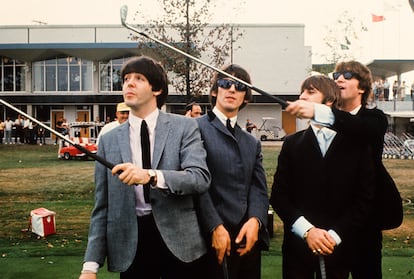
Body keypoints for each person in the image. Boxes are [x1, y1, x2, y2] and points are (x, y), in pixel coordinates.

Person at [79, 56, 211, 279]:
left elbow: (199, 178)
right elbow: (102, 206)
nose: (129, 83)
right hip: (131, 246)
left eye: (138, 78)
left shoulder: (184, 127)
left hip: (180, 244)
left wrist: (150, 176)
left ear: (157, 89)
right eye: (126, 79)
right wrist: (90, 266)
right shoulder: (109, 140)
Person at [286, 61, 403, 278]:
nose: (339, 78)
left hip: (365, 220)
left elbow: (359, 128)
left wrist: (319, 111)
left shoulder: (373, 119)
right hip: (332, 220)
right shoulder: (325, 121)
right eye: (337, 74)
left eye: (348, 75)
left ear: (362, 88)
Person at [270, 75, 376, 278]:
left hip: (339, 249)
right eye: (302, 92)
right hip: (297, 251)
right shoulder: (292, 144)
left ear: (329, 101)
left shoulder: (357, 144)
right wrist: (308, 232)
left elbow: (364, 199)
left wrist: (334, 236)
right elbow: (279, 196)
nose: (302, 96)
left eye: (310, 92)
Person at [196, 64, 269, 279]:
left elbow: (258, 188)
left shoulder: (251, 142)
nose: (231, 89)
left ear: (246, 97)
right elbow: (196, 185)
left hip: (247, 241)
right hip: (208, 238)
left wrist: (256, 220)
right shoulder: (194, 128)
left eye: (239, 86)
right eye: (225, 83)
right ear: (214, 90)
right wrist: (214, 226)